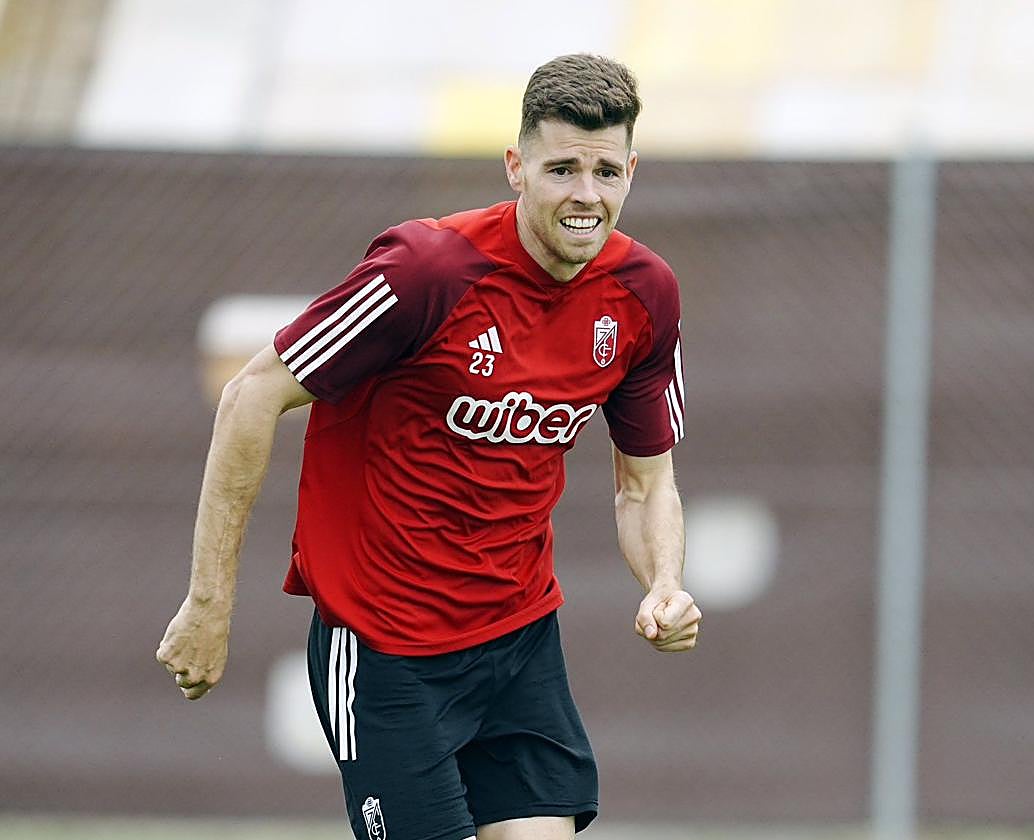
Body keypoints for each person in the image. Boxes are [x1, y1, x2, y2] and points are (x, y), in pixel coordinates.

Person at [156, 53, 701, 840]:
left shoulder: (646, 294)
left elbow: (646, 486)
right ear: (516, 167)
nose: (586, 195)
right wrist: (208, 604)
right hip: (383, 647)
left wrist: (664, 583)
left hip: (518, 639)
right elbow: (252, 395)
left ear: (631, 171)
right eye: (562, 169)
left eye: (606, 171)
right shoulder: (428, 272)